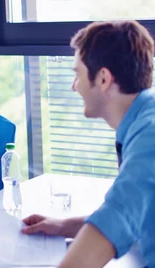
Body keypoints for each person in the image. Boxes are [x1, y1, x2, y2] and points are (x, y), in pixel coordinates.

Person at [22, 20, 155, 268]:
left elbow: (119, 215)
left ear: (103, 78)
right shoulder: (144, 120)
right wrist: (64, 226)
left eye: (78, 75)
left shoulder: (149, 139)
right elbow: (136, 212)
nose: (75, 86)